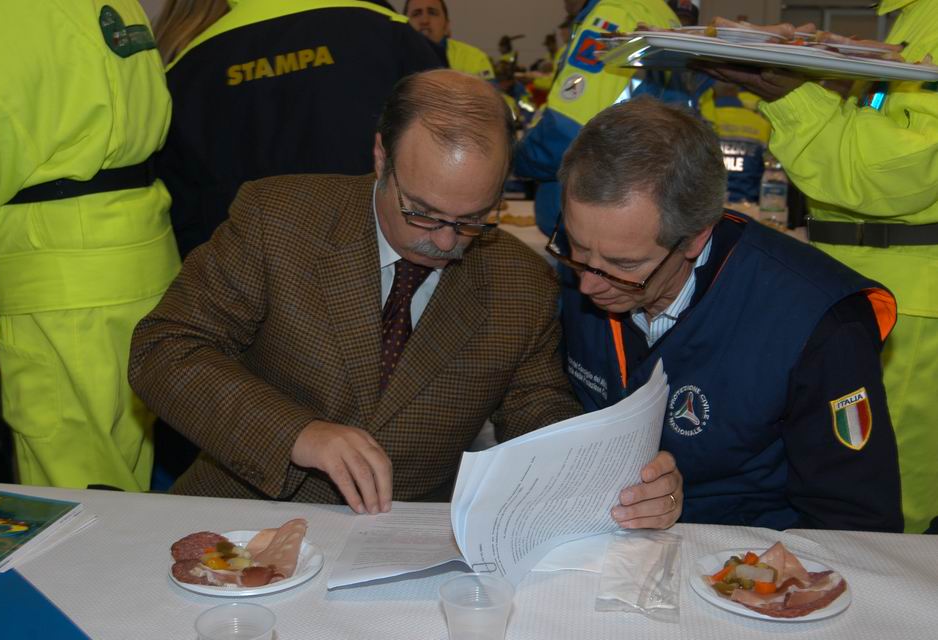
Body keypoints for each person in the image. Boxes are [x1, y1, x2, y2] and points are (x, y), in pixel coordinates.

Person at [129, 70, 681, 529]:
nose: (443, 241)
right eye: (421, 212)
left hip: (402, 535)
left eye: (472, 220)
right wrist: (296, 433)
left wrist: (613, 476)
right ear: (381, 157)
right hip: (239, 515)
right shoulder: (278, 219)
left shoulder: (521, 283)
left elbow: (537, 412)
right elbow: (164, 350)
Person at [553, 97, 903, 532]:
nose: (588, 284)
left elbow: (856, 523)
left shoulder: (818, 324)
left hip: (747, 546)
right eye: (576, 249)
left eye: (623, 266)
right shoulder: (591, 265)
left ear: (696, 239)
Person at [703, 1, 938, 533]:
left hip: (907, 303)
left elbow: (905, 171)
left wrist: (794, 96)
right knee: (838, 482)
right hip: (865, 283)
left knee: (883, 505)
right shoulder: (915, 16)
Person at [0, 0, 181, 490]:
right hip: (140, 264)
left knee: (75, 499)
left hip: (63, 290)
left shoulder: (4, 11)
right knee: (124, 483)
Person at [156, 0, 441, 258]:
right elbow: (449, 151)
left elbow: (183, 209)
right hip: (382, 262)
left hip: (247, 274)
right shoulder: (385, 31)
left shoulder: (186, 70)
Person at [515, 0, 682, 237]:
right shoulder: (661, 12)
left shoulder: (614, 13)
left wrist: (515, 159)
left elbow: (567, 131)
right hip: (645, 206)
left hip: (599, 215)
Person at [403, 0, 495, 80]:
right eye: (416, 14)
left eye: (432, 13)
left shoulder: (475, 58)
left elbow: (487, 95)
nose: (424, 21)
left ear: (447, 26)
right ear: (403, 25)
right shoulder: (395, 57)